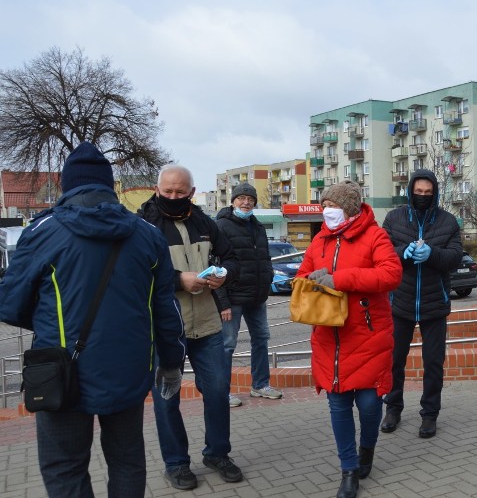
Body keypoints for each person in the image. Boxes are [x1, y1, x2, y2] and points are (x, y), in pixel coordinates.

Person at [0, 142, 186, 498]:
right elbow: (165, 309)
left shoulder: (42, 233)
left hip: (60, 373)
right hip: (129, 370)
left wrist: (52, 321)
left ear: (68, 186)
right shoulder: (147, 234)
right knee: (128, 461)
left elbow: (10, 304)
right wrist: (172, 364)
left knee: (64, 468)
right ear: (109, 186)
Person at [139, 164, 244, 490]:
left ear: (192, 192)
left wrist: (223, 274)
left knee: (216, 391)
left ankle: (217, 453)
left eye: (180, 192)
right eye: (167, 191)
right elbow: (135, 273)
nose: (173, 197)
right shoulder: (143, 225)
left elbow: (231, 258)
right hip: (164, 329)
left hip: (208, 324)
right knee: (167, 397)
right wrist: (178, 280)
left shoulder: (204, 222)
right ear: (157, 190)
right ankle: (176, 464)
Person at [296, 181, 402, 498]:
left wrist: (339, 279)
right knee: (338, 404)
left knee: (370, 405)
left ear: (351, 207)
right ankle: (349, 469)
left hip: (368, 334)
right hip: (329, 336)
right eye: (323, 204)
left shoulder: (375, 236)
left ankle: (366, 448)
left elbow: (391, 274)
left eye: (333, 204)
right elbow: (302, 275)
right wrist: (307, 282)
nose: (326, 210)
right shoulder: (319, 241)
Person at [380, 169, 463, 439]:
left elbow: (454, 257)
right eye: (419, 192)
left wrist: (431, 254)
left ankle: (429, 414)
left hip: (434, 303)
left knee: (433, 363)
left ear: (435, 192)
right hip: (399, 301)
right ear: (410, 191)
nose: (423, 196)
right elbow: (381, 253)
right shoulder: (394, 218)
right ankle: (392, 408)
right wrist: (402, 253)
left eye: (428, 193)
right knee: (394, 360)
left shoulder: (448, 221)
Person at [215, 182, 282, 407]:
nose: (246, 203)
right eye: (241, 198)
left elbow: (264, 258)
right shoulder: (221, 226)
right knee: (227, 345)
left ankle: (260, 385)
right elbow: (214, 265)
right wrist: (222, 301)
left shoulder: (257, 226)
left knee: (261, 340)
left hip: (257, 297)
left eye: (250, 199)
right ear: (233, 201)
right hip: (232, 298)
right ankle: (222, 392)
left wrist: (268, 279)